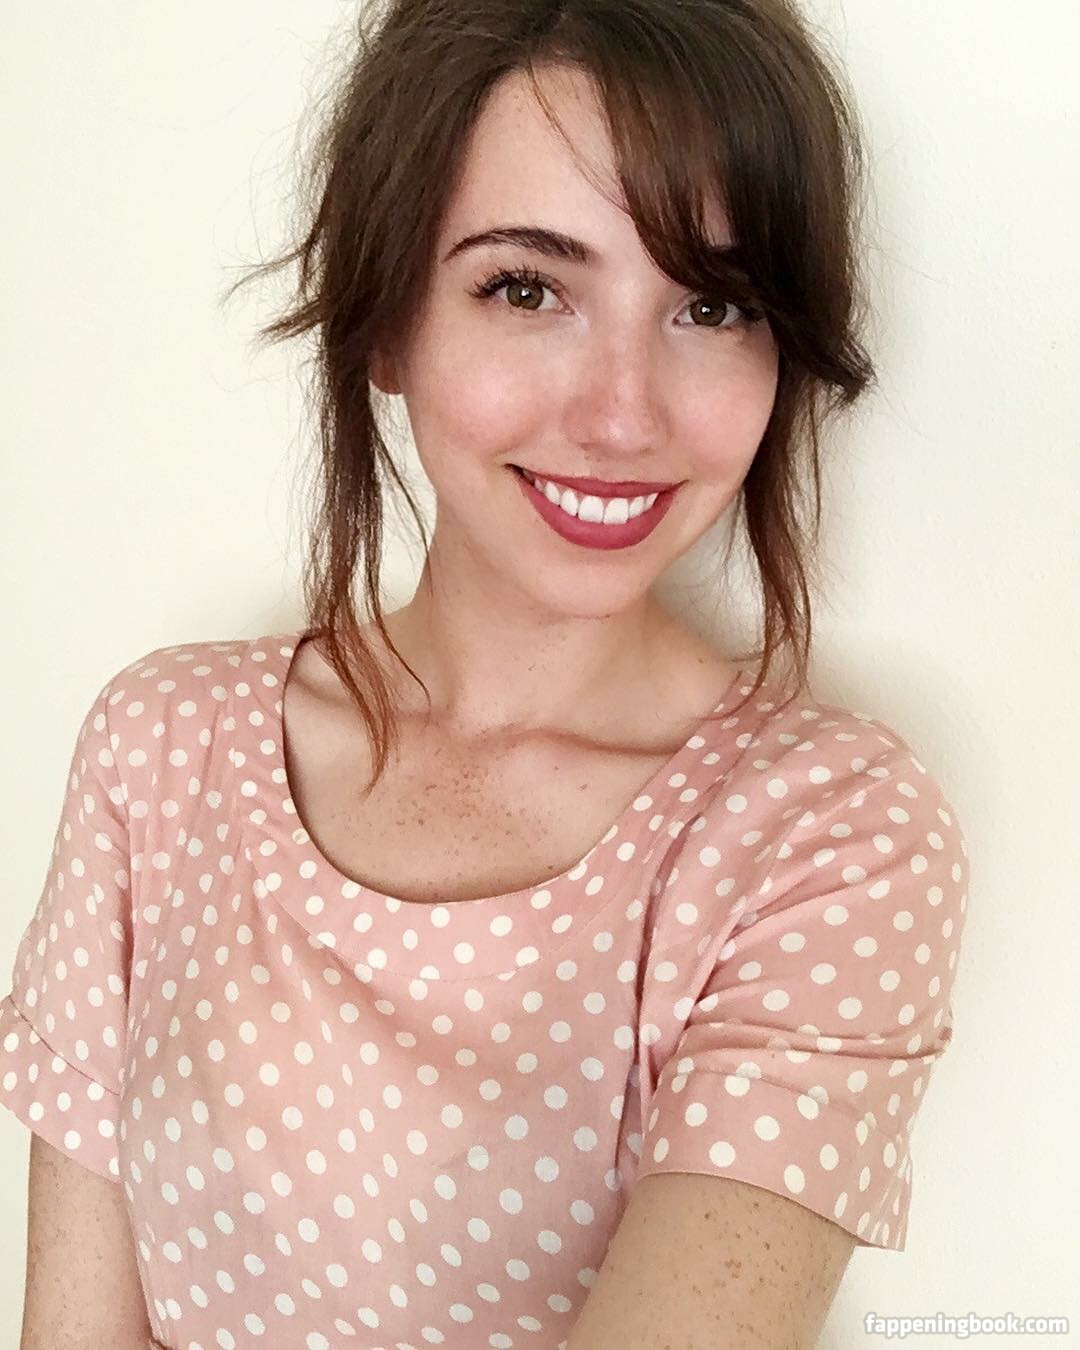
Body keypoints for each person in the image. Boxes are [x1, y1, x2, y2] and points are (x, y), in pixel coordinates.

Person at [2, 1, 970, 1346]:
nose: (623, 413)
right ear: (388, 321)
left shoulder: (827, 834)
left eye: (712, 304)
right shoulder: (161, 750)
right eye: (527, 287)